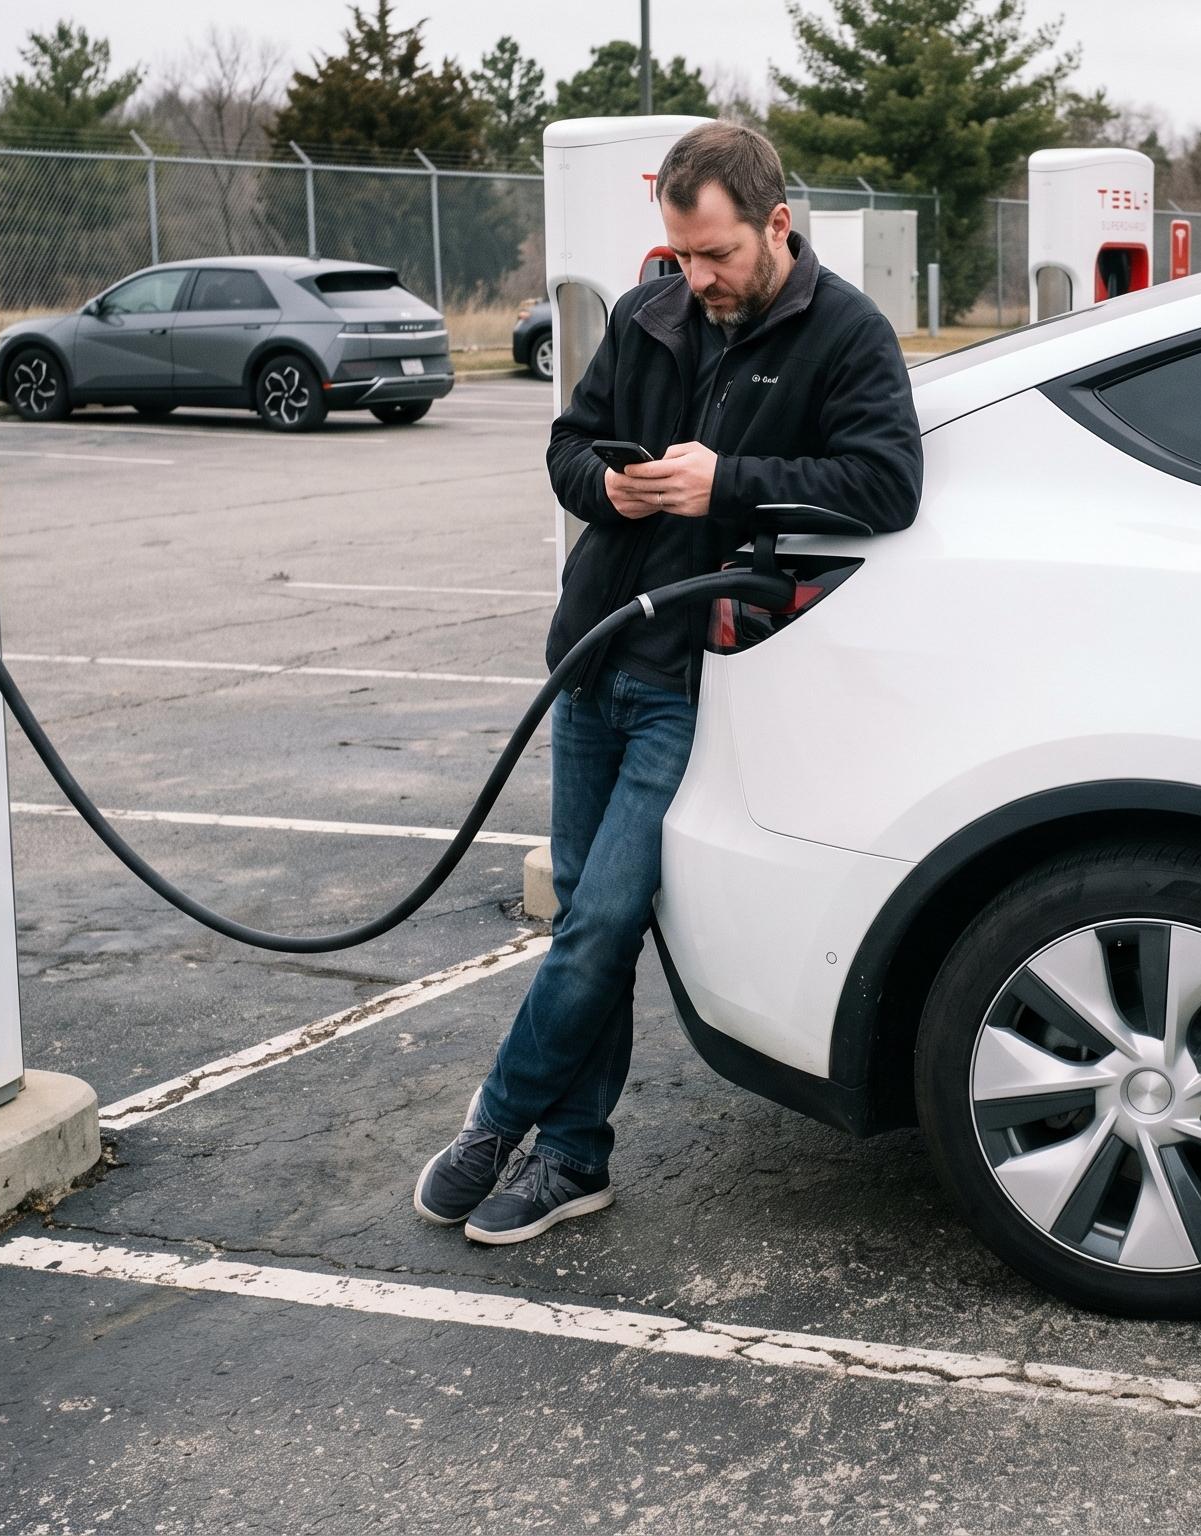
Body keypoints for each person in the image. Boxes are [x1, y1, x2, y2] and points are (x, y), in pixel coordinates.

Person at [412, 122, 922, 1245]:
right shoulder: (650, 319)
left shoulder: (846, 335)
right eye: (681, 255)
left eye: (716, 255)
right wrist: (609, 486)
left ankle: (500, 1122)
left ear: (776, 225)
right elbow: (566, 446)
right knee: (584, 929)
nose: (696, 278)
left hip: (693, 679)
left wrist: (722, 484)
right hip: (593, 658)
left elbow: (889, 486)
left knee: (601, 917)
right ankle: (575, 1160)